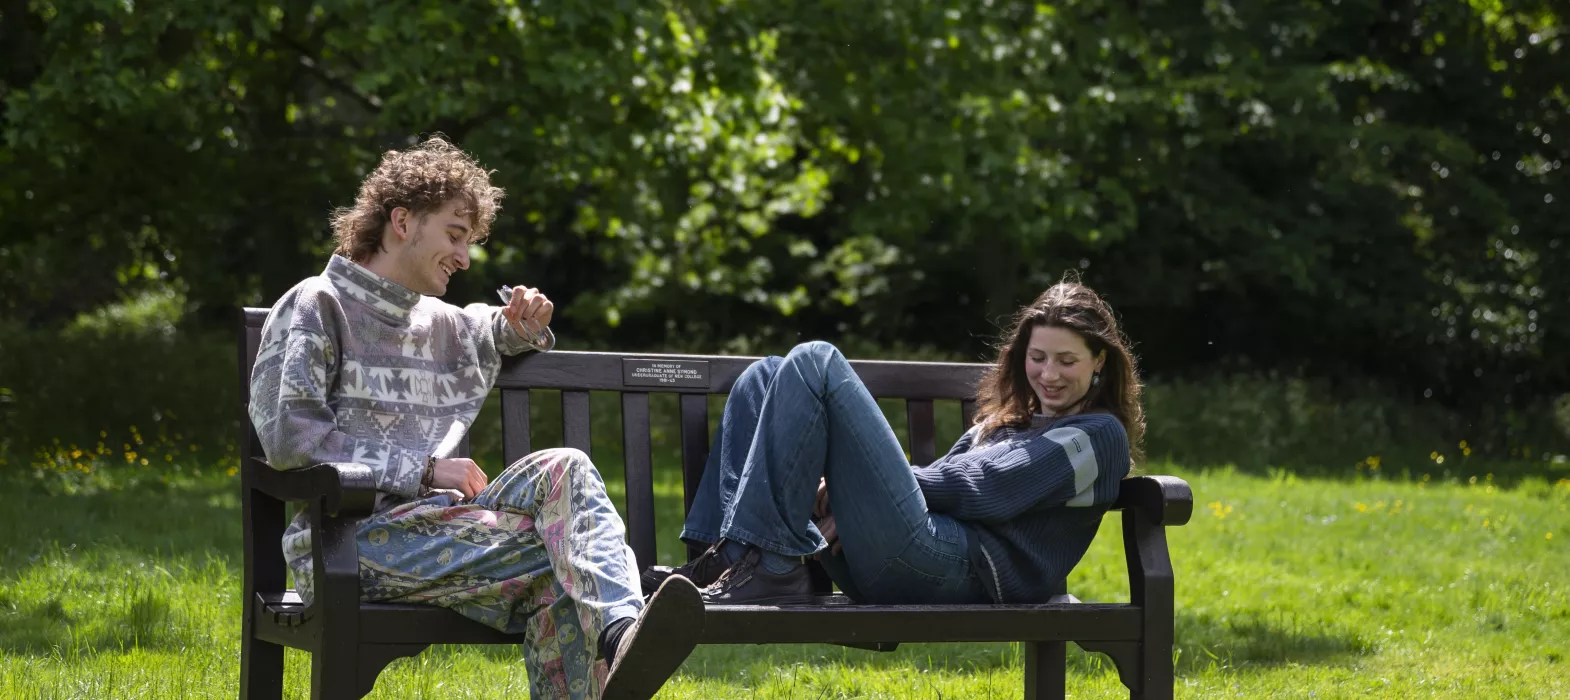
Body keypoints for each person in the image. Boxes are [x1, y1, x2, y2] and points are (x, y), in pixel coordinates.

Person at [248, 136, 701, 700]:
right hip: (348, 541)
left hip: (450, 531)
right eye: (455, 236)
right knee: (567, 559)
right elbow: (291, 438)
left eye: (469, 242)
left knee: (567, 469)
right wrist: (423, 469)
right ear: (402, 221)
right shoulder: (318, 302)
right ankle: (621, 624)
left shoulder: (441, 321)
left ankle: (618, 636)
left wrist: (526, 319)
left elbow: (492, 328)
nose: (464, 258)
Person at [643, 276, 1144, 606]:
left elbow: (990, 488)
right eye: (1038, 357)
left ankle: (765, 564)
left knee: (816, 360)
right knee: (764, 376)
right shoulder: (1008, 422)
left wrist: (853, 496)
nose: (1048, 374)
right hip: (903, 554)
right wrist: (854, 506)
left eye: (1067, 360)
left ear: (1100, 361)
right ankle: (724, 557)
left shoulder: (1099, 437)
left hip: (961, 573)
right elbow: (953, 486)